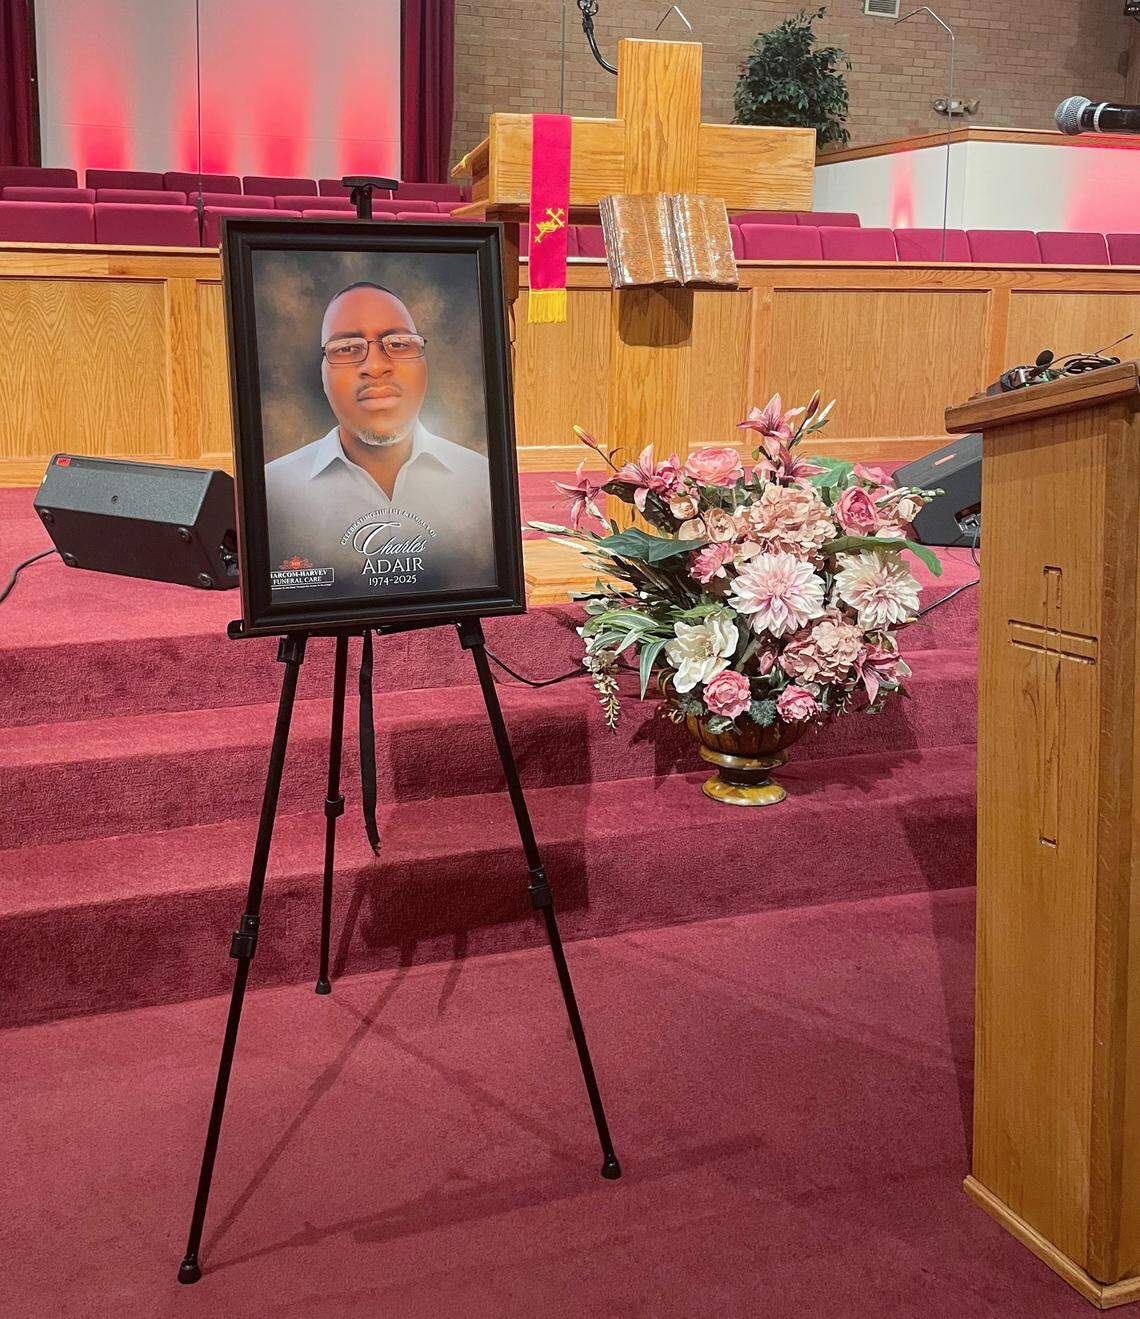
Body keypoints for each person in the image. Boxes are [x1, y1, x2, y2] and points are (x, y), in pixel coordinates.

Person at [265, 280, 494, 598]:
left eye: (399, 344)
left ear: (424, 366)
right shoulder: (273, 490)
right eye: (346, 348)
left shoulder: (481, 479)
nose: (374, 366)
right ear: (323, 375)